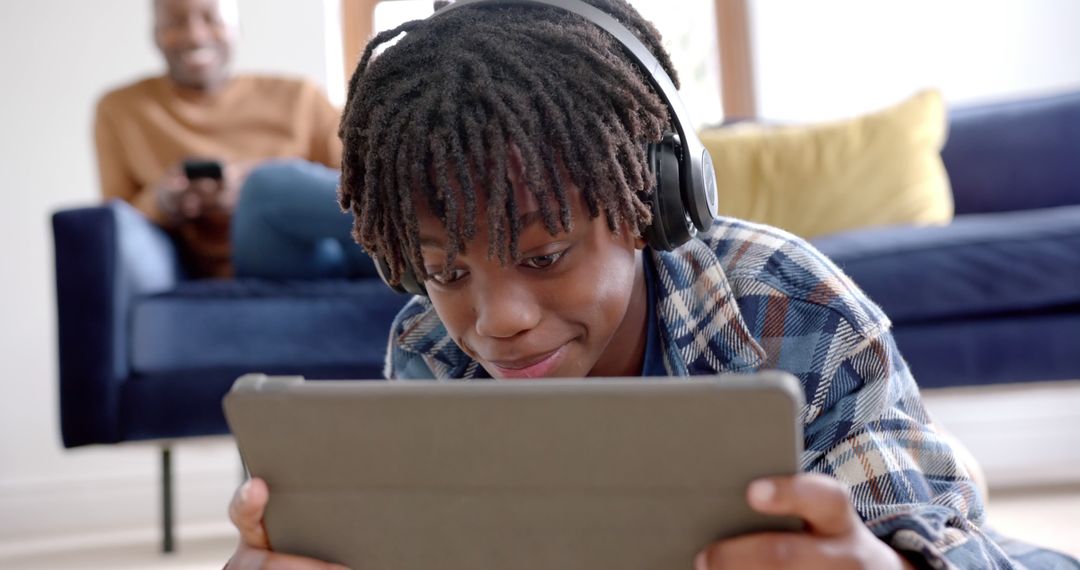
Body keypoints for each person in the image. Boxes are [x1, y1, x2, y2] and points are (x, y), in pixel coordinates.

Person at [225, 1, 1080, 568]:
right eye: (447, 271)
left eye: (545, 254)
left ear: (652, 203)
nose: (497, 321)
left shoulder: (787, 302)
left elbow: (942, 537)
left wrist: (884, 563)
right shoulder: (425, 348)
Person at [94, 0, 372, 279]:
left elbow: (356, 181)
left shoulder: (300, 97)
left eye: (211, 19)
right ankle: (411, 213)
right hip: (262, 261)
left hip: (334, 247)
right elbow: (113, 222)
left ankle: (408, 229)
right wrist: (163, 202)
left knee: (268, 183)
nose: (195, 35)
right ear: (155, 34)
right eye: (175, 23)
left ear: (237, 29)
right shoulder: (122, 110)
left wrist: (258, 180)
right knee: (262, 188)